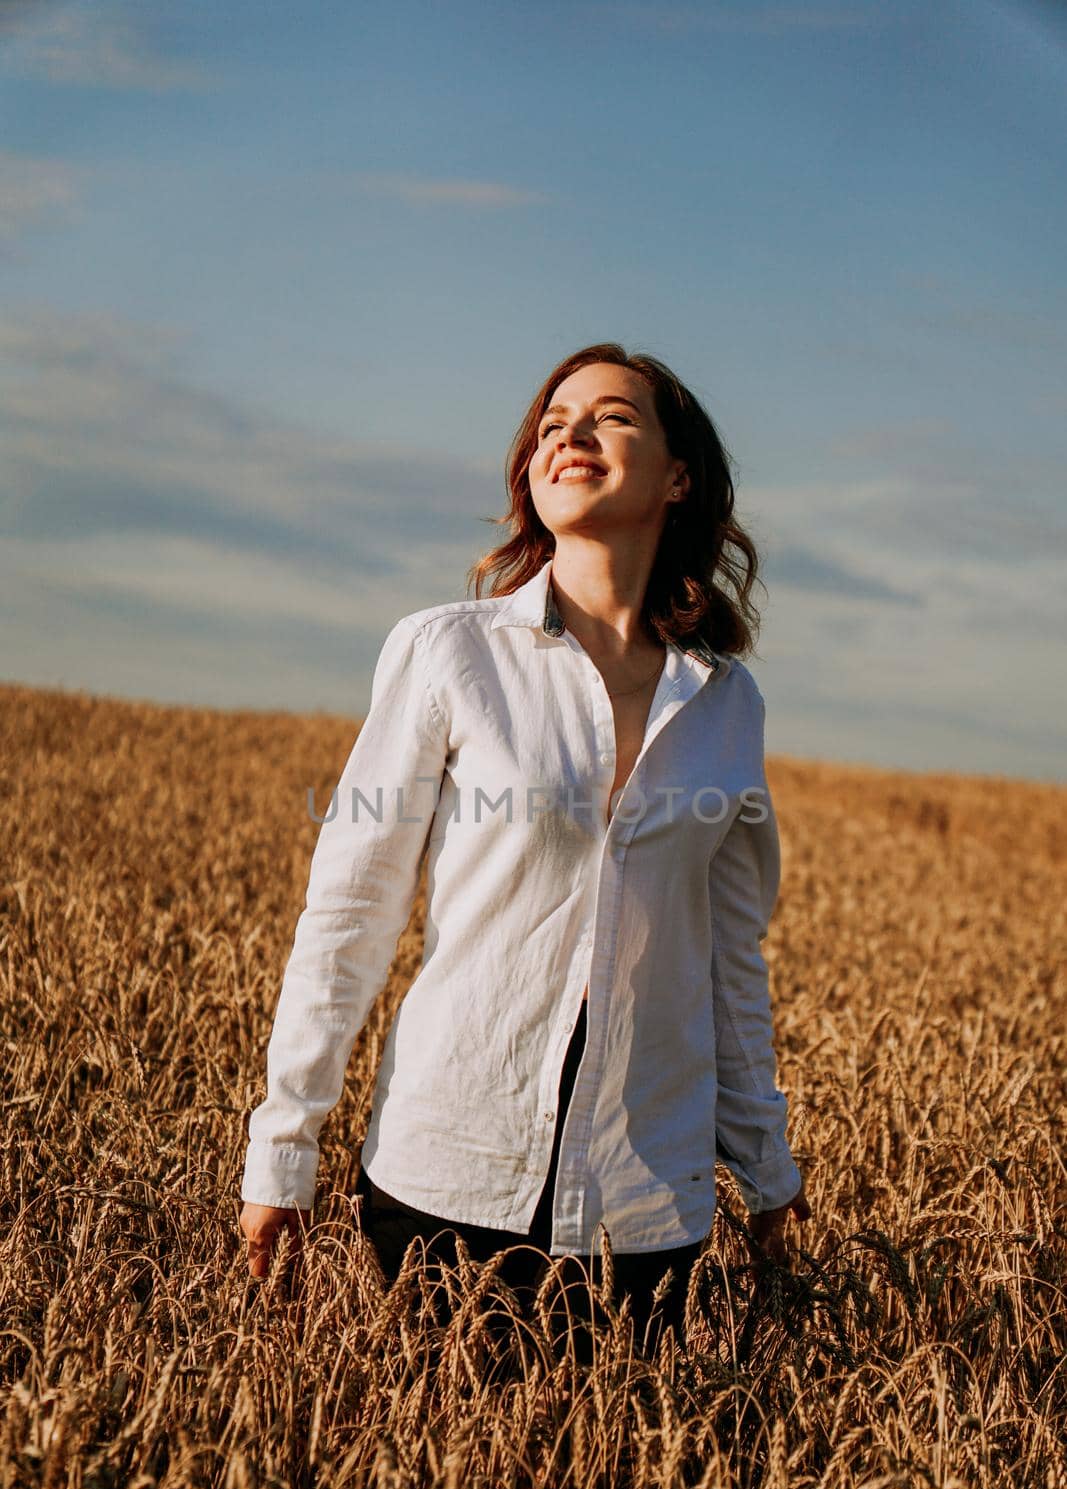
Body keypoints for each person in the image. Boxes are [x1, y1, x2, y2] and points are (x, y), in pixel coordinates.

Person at [239, 341, 811, 1358]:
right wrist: (284, 1147)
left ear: (677, 476)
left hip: (647, 1213)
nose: (569, 433)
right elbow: (349, 914)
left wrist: (765, 1171)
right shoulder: (447, 651)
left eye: (610, 416)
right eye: (551, 421)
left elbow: (728, 960)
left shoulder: (727, 705)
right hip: (445, 1183)